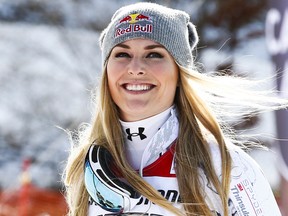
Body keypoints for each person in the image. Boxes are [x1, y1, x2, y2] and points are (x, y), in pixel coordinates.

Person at [63, 2, 287, 216]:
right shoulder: (89, 166)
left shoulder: (224, 165)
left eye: (154, 54)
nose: (136, 68)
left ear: (180, 74)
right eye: (122, 54)